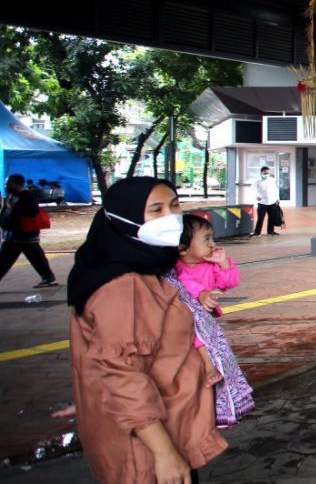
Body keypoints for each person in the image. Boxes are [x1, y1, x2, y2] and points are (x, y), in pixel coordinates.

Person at [68, 177, 226, 483]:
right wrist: (164, 454)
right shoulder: (124, 285)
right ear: (124, 218)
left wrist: (92, 392)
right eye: (156, 210)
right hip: (147, 449)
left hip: (162, 426)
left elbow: (104, 358)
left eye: (174, 205)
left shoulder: (141, 266)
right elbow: (122, 372)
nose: (170, 217)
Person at [173, 213, 255, 427]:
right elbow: (184, 283)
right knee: (197, 338)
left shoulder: (210, 264)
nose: (212, 244)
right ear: (182, 248)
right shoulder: (177, 268)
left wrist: (224, 264)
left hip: (205, 317)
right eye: (206, 240)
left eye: (212, 238)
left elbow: (229, 282)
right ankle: (210, 367)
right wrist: (200, 294)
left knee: (205, 339)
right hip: (186, 316)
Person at [0, 174, 58, 288]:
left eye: (8, 183)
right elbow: (6, 212)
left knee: (6, 259)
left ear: (16, 184)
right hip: (14, 235)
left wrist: (15, 208)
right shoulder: (11, 195)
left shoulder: (26, 196)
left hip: (24, 234)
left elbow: (31, 212)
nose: (6, 185)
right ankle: (48, 277)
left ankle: (48, 277)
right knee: (35, 257)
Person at [251, 166, 280, 236]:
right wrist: (256, 196)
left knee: (271, 218)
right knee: (260, 218)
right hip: (262, 203)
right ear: (261, 173)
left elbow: (276, 190)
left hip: (272, 202)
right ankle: (257, 233)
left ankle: (270, 231)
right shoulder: (257, 181)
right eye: (265, 173)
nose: (266, 174)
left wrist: (277, 199)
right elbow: (253, 189)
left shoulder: (272, 180)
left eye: (267, 173)